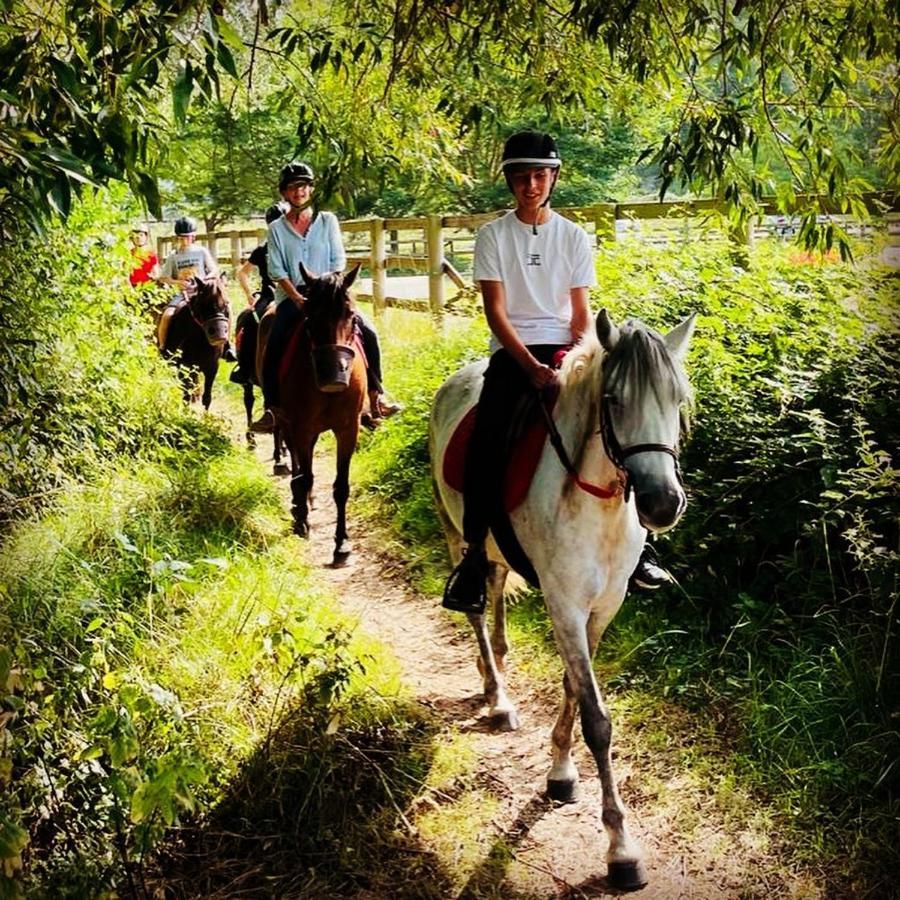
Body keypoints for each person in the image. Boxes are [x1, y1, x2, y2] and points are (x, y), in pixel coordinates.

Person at [442, 130, 670, 614]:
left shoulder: (573, 236)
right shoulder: (493, 236)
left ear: (553, 179)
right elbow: (496, 312)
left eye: (540, 175)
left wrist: (576, 359)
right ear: (510, 181)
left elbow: (581, 312)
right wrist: (529, 366)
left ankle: (641, 545)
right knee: (486, 440)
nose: (531, 184)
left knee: (619, 427)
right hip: (514, 353)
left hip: (568, 351)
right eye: (522, 176)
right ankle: (475, 559)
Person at [250, 161, 400, 434]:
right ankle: (272, 408)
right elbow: (276, 270)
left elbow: (338, 259)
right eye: (293, 187)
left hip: (329, 292)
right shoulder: (276, 230)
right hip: (293, 294)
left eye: (304, 186)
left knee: (368, 331)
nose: (299, 192)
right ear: (284, 193)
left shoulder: (328, 220)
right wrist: (296, 298)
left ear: (311, 190)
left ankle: (377, 395)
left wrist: (328, 289)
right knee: (274, 338)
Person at [156, 216, 231, 355]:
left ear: (193, 237)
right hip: (182, 293)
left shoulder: (201, 252)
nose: (184, 241)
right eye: (180, 238)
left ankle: (227, 345)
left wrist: (205, 279)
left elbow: (214, 270)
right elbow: (163, 277)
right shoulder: (173, 256)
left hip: (203, 293)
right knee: (167, 314)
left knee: (227, 307)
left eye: (187, 237)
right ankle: (163, 346)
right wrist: (178, 282)